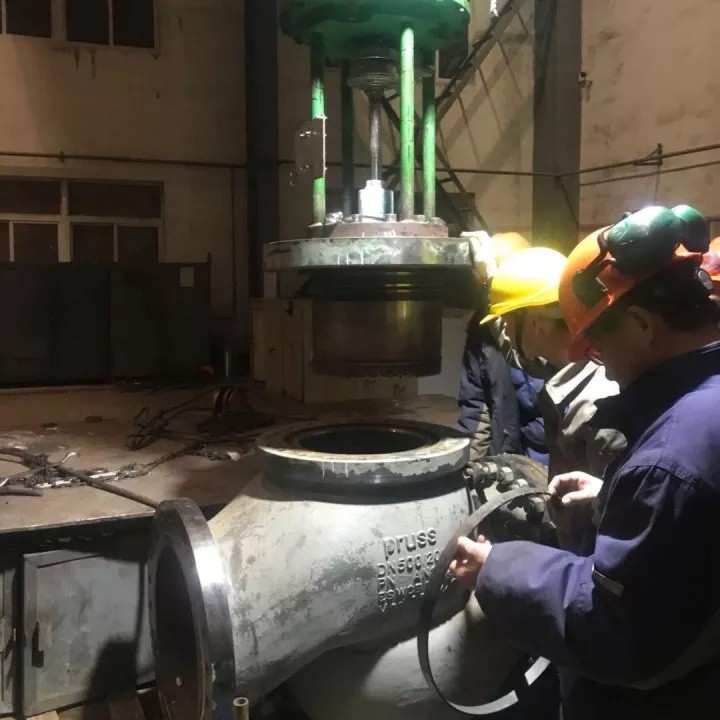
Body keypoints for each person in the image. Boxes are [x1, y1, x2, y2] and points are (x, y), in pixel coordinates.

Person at [450, 205, 720, 719]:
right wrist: (617, 495)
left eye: (598, 346)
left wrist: (496, 568)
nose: (600, 366)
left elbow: (616, 630)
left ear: (640, 325)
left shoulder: (669, 460)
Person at [479, 245, 625, 482]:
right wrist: (489, 280)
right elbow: (514, 347)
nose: (504, 329)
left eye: (506, 320)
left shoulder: (598, 406)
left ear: (538, 324)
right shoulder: (562, 365)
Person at [457, 231, 548, 463]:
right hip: (512, 458)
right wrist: (469, 467)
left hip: (554, 461)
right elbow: (476, 409)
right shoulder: (483, 331)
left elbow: (533, 365)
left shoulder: (549, 325)